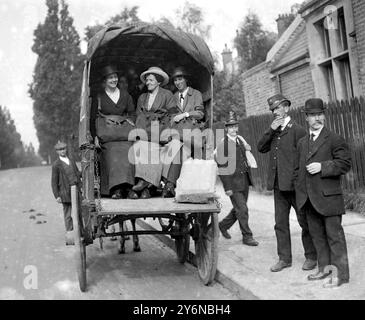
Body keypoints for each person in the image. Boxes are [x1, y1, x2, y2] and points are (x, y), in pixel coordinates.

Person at [294, 98, 351, 288]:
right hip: (309, 200)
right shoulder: (302, 142)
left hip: (329, 199)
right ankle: (324, 269)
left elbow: (344, 164)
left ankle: (339, 275)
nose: (317, 118)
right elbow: (298, 170)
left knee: (335, 238)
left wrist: (322, 166)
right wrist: (300, 194)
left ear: (324, 115)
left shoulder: (335, 138)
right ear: (306, 118)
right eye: (312, 115)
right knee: (317, 237)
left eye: (319, 114)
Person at [257, 94, 317, 272]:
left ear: (286, 108)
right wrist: (271, 130)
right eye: (273, 109)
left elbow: (307, 156)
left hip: (296, 186)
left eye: (278, 108)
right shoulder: (274, 130)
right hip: (278, 186)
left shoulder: (297, 130)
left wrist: (302, 182)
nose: (275, 112)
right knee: (280, 223)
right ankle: (284, 259)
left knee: (304, 221)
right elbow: (261, 147)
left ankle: (311, 256)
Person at [90, 64, 138, 199]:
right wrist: (95, 137)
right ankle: (115, 189)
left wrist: (129, 124)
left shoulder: (125, 95)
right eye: (110, 78)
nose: (113, 80)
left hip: (124, 136)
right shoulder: (98, 97)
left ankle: (128, 188)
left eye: (115, 77)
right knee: (110, 153)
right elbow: (93, 118)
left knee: (129, 151)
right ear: (104, 80)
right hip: (108, 138)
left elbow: (133, 114)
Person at [131, 66, 177, 199]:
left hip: (160, 130)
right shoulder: (142, 97)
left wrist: (166, 132)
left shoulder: (167, 95)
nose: (148, 82)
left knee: (155, 148)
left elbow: (172, 115)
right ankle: (145, 183)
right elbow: (139, 116)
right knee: (138, 146)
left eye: (151, 80)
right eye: (146, 80)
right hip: (145, 130)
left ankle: (145, 182)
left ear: (158, 82)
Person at [215, 111, 259, 246]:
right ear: (226, 129)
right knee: (243, 209)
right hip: (233, 183)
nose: (234, 129)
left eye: (235, 126)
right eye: (231, 127)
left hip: (244, 181)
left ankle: (222, 226)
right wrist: (227, 187)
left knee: (239, 209)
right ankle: (247, 236)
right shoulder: (223, 145)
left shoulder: (240, 140)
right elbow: (222, 168)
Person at [161, 66, 205, 197]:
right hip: (177, 133)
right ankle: (167, 183)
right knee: (170, 149)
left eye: (180, 79)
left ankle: (170, 184)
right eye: (175, 80)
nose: (178, 83)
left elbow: (200, 113)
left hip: (192, 133)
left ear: (186, 79)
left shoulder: (195, 94)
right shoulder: (173, 97)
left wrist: (185, 114)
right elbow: (169, 117)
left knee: (182, 150)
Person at [51, 140, 81, 245]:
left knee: (80, 211)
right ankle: (70, 233)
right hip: (65, 192)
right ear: (57, 152)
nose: (62, 151)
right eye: (60, 150)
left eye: (63, 149)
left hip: (76, 190)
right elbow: (54, 182)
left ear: (66, 149)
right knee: (68, 214)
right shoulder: (56, 165)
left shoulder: (71, 160)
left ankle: (80, 230)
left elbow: (77, 173)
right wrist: (57, 196)